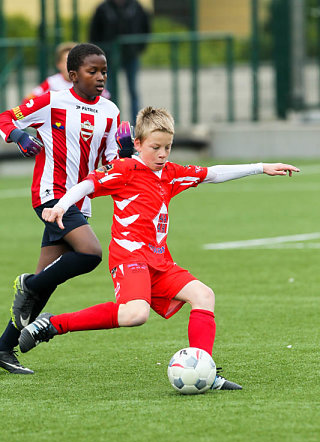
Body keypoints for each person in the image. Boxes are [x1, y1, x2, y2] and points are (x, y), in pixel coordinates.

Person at [18, 107, 300, 390]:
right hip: (130, 258)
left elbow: (213, 173)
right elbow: (87, 185)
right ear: (138, 144)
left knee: (204, 295)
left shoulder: (171, 174)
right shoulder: (125, 169)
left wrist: (261, 167)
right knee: (135, 314)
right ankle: (53, 324)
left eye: (168, 147)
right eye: (156, 147)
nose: (163, 154)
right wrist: (61, 206)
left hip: (159, 260)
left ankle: (206, 371)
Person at [0, 43, 126, 375]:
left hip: (80, 201)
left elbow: (111, 160)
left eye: (104, 72)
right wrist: (18, 135)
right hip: (51, 195)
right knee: (90, 253)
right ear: (72, 75)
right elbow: (5, 117)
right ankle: (28, 286)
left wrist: (125, 153)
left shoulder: (111, 111)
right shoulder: (52, 101)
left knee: (46, 279)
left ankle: (3, 347)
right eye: (92, 71)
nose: (100, 77)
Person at [89, 0, 151, 124]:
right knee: (109, 90)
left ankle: (137, 124)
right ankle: (111, 123)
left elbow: (145, 28)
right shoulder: (103, 8)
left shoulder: (136, 7)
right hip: (108, 57)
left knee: (133, 90)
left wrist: (138, 48)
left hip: (131, 55)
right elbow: (94, 32)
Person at [22, 42, 111, 104]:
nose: (70, 66)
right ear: (58, 64)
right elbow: (28, 100)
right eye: (66, 62)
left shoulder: (88, 82)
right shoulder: (52, 82)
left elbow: (107, 98)